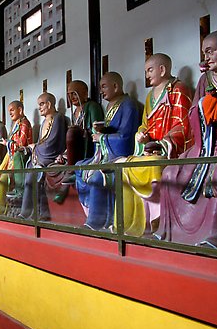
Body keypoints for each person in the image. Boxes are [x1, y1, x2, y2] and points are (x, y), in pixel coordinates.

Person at [154, 30, 217, 249]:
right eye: (204, 52)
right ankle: (169, 230)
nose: (206, 57)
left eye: (210, 51)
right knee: (170, 172)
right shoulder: (204, 79)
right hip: (204, 144)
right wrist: (204, 107)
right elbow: (192, 114)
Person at [117, 53, 194, 237]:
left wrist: (163, 143)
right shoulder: (151, 96)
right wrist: (142, 136)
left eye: (150, 70)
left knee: (152, 164)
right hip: (150, 149)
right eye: (145, 71)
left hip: (170, 151)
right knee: (122, 164)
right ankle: (132, 221)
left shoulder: (179, 89)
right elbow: (145, 125)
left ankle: (157, 218)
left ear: (163, 69)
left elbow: (184, 125)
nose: (147, 75)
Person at [74, 71, 140, 231]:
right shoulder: (110, 106)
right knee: (78, 166)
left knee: (97, 175)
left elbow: (126, 137)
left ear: (116, 86)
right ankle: (92, 213)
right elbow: (114, 130)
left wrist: (102, 137)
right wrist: (102, 130)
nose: (101, 91)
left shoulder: (128, 105)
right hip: (105, 152)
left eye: (104, 86)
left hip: (120, 154)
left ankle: (96, 220)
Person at [18, 92, 67, 220]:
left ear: (49, 104)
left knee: (33, 175)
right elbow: (42, 141)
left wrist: (35, 148)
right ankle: (33, 211)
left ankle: (32, 212)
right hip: (41, 155)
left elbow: (52, 142)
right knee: (29, 171)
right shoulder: (44, 122)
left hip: (51, 155)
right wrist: (31, 147)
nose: (39, 108)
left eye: (41, 104)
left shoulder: (58, 118)